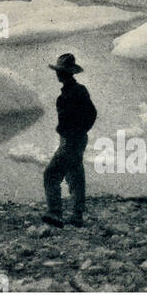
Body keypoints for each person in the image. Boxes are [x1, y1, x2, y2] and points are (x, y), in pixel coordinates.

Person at [42, 52, 96, 228]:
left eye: (60, 71)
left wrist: (75, 133)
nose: (58, 74)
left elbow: (90, 114)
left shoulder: (71, 93)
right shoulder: (78, 91)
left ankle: (55, 212)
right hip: (77, 139)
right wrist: (81, 131)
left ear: (66, 73)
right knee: (75, 175)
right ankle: (77, 215)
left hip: (71, 140)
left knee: (51, 174)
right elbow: (91, 114)